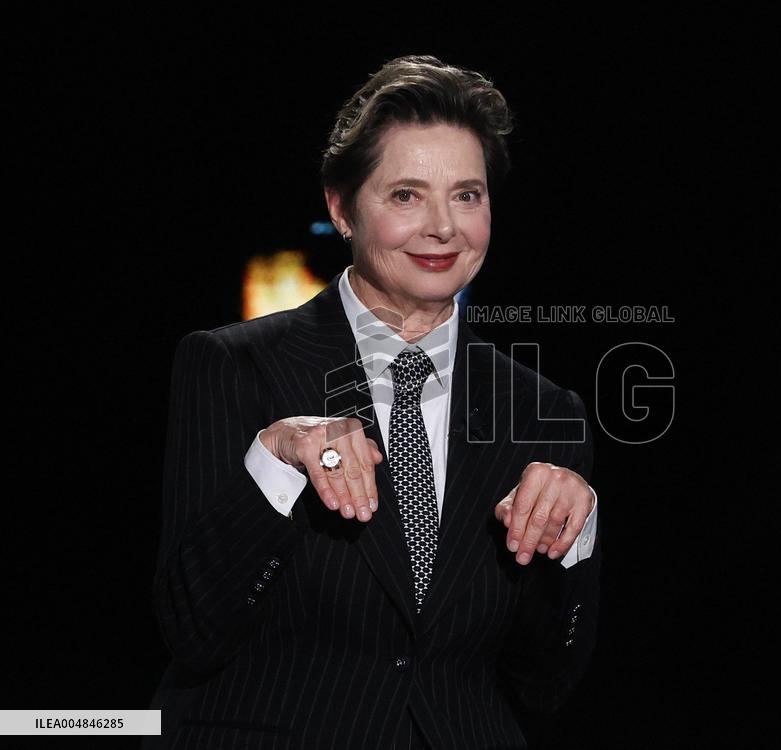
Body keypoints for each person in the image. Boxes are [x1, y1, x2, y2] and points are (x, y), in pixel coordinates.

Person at [145, 54, 600, 750]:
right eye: (407, 195)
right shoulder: (231, 364)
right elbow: (194, 631)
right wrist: (274, 463)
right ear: (341, 207)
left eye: (468, 195)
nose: (443, 227)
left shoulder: (546, 411)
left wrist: (574, 545)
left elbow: (546, 684)